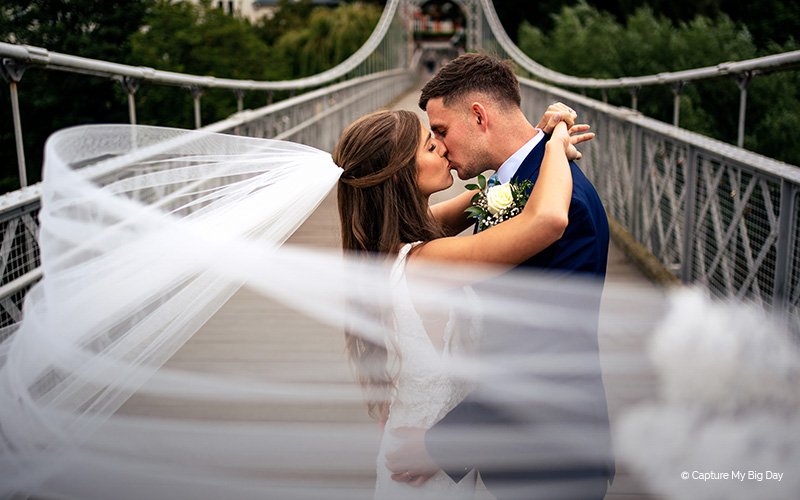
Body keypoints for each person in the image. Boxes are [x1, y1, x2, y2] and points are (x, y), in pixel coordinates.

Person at [382, 54, 613, 499]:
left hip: (552, 460)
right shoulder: (511, 185)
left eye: (442, 132)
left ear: (479, 116)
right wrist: (552, 140)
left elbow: (548, 352)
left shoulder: (567, 205)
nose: (442, 148)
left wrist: (441, 445)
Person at [333, 106, 594, 499]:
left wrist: (534, 141)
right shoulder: (425, 262)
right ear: (401, 173)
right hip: (426, 462)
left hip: (417, 443)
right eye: (427, 143)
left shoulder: (387, 247)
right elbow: (547, 221)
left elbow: (496, 192)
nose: (440, 146)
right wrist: (556, 146)